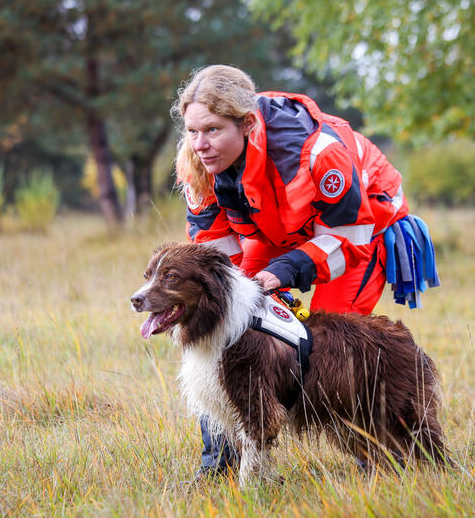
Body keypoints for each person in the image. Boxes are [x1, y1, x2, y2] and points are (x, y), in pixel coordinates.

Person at [172, 64, 438, 479]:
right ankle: (221, 462)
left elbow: (349, 234)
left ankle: (381, 455)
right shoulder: (197, 162)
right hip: (277, 226)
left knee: (336, 342)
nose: (200, 144)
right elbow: (214, 257)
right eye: (192, 131)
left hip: (358, 227)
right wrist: (231, 304)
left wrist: (285, 271)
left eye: (212, 130)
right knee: (223, 325)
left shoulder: (318, 152)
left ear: (247, 124)